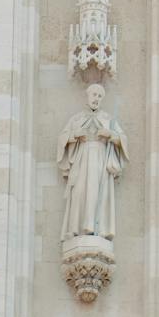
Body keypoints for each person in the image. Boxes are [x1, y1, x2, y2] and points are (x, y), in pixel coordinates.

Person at [58, 83, 129, 242]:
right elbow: (63, 137)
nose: (96, 99)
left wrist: (110, 134)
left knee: (97, 193)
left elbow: (122, 138)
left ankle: (97, 228)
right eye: (94, 95)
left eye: (99, 96)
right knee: (80, 192)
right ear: (87, 96)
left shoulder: (108, 119)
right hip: (82, 158)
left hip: (100, 159)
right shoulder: (77, 119)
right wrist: (75, 135)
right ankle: (76, 228)